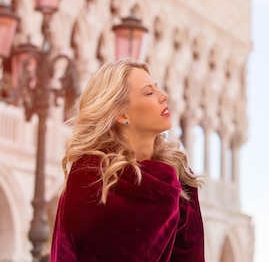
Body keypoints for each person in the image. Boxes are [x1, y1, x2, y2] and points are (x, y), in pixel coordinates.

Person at [50, 58, 205, 261]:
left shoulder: (181, 178)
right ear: (122, 113)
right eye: (149, 92)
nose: (164, 96)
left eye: (157, 88)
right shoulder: (91, 177)